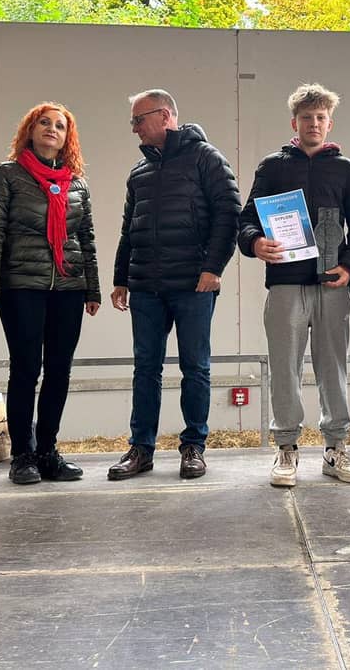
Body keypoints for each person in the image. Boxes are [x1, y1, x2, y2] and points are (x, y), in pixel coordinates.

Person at [238, 83, 350, 487]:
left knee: (334, 368)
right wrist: (254, 242)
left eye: (320, 117)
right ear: (294, 123)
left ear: (329, 123)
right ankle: (286, 448)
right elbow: (246, 219)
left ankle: (336, 448)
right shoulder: (272, 167)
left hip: (333, 285)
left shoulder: (345, 169)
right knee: (285, 368)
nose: (313, 123)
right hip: (285, 284)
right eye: (306, 117)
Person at [109, 89, 241, 481]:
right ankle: (141, 448)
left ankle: (193, 446)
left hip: (193, 285)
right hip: (145, 287)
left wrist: (213, 268)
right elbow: (129, 227)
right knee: (145, 368)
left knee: (195, 367)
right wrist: (120, 278)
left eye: (138, 120)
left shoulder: (207, 158)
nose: (134, 129)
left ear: (165, 116)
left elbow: (229, 215)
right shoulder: (139, 172)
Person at [0, 103, 101, 485]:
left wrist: (92, 288)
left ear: (67, 138)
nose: (52, 129)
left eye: (60, 126)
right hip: (21, 286)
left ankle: (48, 451)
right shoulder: (7, 175)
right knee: (26, 369)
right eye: (44, 122)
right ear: (30, 130)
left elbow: (86, 239)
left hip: (68, 287)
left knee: (59, 370)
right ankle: (23, 455)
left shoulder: (77, 184)